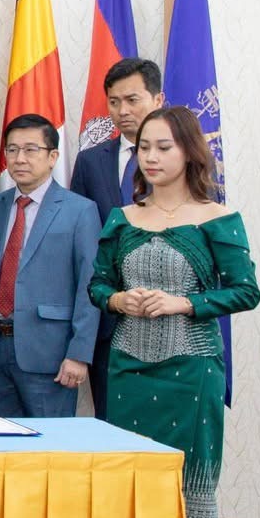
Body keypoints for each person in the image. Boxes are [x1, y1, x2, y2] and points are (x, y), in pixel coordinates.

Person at [89, 106, 260, 518]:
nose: (151, 157)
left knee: (188, 478)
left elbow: (246, 292)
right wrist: (120, 299)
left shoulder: (218, 218)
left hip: (192, 370)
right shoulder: (122, 218)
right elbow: (98, 287)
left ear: (188, 151)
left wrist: (183, 303)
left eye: (163, 147)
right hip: (128, 369)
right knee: (130, 472)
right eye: (144, 147)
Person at [0, 114, 102, 419]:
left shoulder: (80, 210)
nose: (19, 159)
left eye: (30, 150)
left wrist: (79, 353)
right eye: (12, 150)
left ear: (52, 157)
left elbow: (90, 285)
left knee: (50, 443)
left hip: (50, 354)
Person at [68, 56, 165, 418]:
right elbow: (80, 244)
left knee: (163, 430)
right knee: (112, 427)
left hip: (167, 318)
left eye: (132, 100)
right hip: (107, 321)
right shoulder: (90, 161)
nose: (122, 111)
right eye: (114, 102)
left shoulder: (183, 160)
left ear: (158, 99)